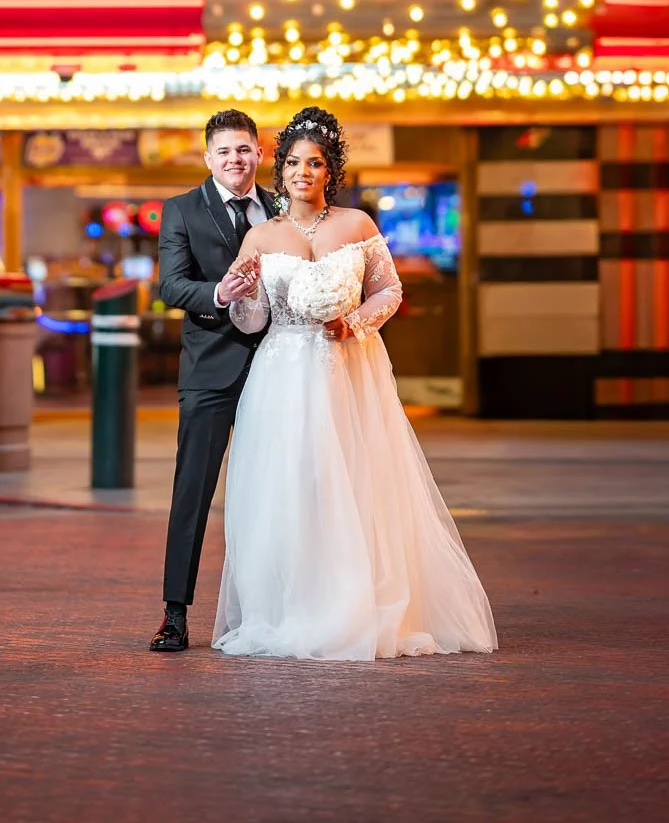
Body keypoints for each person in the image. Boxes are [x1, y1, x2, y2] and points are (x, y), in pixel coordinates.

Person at [212, 106, 498, 661]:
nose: (303, 172)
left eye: (315, 162)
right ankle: (294, 605)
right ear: (281, 170)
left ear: (330, 170)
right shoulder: (261, 235)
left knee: (355, 481)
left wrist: (355, 322)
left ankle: (357, 602)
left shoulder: (359, 226)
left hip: (348, 371)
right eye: (293, 162)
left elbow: (388, 292)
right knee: (293, 486)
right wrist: (239, 291)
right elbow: (250, 321)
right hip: (282, 376)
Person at [149, 110, 277, 652]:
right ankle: (174, 613)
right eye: (224, 151)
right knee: (193, 491)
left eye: (244, 149)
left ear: (259, 153)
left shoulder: (281, 209)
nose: (235, 159)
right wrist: (218, 295)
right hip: (209, 370)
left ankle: (275, 610)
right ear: (208, 158)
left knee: (278, 491)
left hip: (278, 367)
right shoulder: (180, 210)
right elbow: (171, 286)